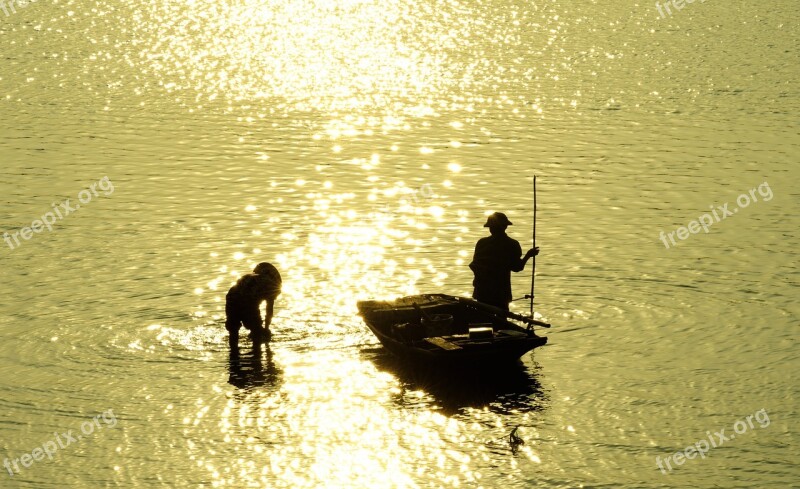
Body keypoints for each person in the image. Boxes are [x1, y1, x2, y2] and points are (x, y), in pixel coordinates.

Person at [469, 212, 539, 311]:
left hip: (482, 292)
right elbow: (517, 267)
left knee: (482, 318)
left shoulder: (481, 243)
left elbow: (476, 265)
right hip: (500, 294)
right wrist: (528, 255)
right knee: (501, 322)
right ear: (505, 227)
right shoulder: (512, 244)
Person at [225, 262, 282, 349]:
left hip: (231, 297)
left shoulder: (248, 277)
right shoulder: (271, 284)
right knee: (257, 331)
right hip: (248, 301)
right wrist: (266, 328)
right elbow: (269, 310)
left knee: (233, 329)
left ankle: (233, 356)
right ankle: (256, 355)